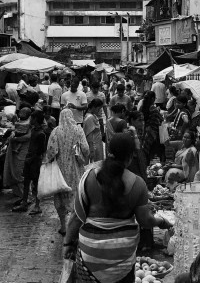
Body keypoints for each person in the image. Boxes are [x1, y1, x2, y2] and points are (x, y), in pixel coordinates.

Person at [63, 133, 172, 283]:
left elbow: (76, 217)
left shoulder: (88, 178)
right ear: (131, 156)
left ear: (108, 151)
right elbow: (145, 221)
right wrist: (161, 221)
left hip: (90, 255)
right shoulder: (138, 184)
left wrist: (68, 244)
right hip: (123, 259)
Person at [44, 109, 90, 235]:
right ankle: (74, 225)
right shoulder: (78, 130)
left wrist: (49, 161)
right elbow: (86, 149)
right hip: (75, 167)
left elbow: (51, 151)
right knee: (75, 195)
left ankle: (63, 226)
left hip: (60, 169)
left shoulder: (56, 131)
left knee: (60, 196)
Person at [14, 110, 47, 215]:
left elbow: (41, 150)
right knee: (26, 182)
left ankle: (37, 206)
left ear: (36, 119)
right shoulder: (33, 130)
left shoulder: (41, 134)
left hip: (35, 161)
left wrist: (31, 158)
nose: (30, 120)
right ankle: (24, 203)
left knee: (35, 184)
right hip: (30, 159)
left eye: (32, 118)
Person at [5, 107, 32, 201]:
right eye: (21, 111)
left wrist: (15, 139)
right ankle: (20, 194)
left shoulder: (29, 124)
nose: (21, 113)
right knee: (14, 170)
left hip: (23, 150)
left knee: (19, 172)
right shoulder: (18, 122)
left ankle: (26, 196)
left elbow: (28, 136)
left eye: (24, 112)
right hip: (15, 148)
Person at [139, 91, 165, 164]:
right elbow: (161, 119)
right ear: (153, 98)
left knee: (145, 151)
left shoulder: (142, 107)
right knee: (152, 152)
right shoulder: (153, 109)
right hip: (153, 133)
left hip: (144, 132)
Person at [84, 98, 106, 163]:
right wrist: (91, 149)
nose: (99, 111)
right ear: (94, 107)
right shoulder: (90, 118)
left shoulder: (92, 116)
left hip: (97, 143)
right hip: (94, 145)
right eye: (98, 109)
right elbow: (89, 135)